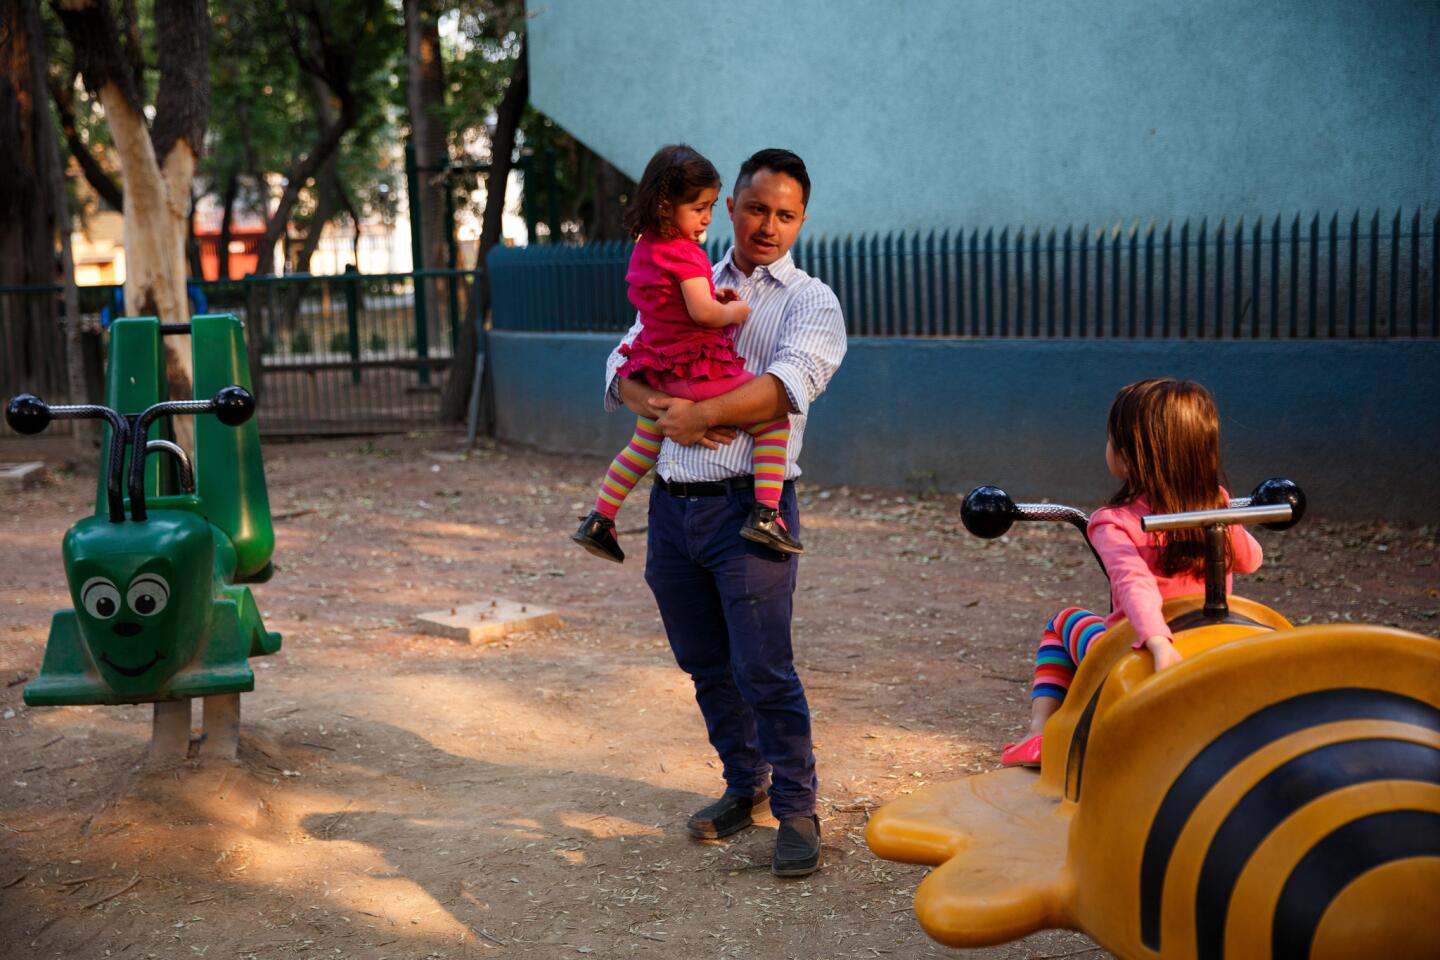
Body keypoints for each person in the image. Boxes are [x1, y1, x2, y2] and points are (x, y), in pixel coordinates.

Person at [601, 148, 846, 876]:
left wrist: (697, 411)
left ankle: (797, 808)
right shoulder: (684, 273)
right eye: (756, 208)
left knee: (763, 666)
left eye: (786, 214)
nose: (769, 225)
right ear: (730, 207)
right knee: (705, 663)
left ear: (801, 220)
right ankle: (746, 785)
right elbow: (621, 362)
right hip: (673, 508)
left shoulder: (811, 302)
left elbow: (783, 388)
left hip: (751, 508)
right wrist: (658, 407)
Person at [1001, 378, 1264, 768]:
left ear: (1129, 454)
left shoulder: (1114, 521)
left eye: (1111, 439)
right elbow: (1249, 561)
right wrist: (1222, 515)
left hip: (1138, 644)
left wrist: (1158, 643)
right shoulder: (1215, 502)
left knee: (1064, 622)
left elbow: (1131, 582)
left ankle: (1039, 732)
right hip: (1211, 635)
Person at [573, 144, 799, 562]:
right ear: (666, 205)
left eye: (710, 207)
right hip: (697, 370)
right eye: (699, 207)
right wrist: (732, 309)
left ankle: (600, 518)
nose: (706, 219)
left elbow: (669, 304)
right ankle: (767, 513)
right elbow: (702, 311)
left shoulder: (646, 248)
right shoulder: (688, 254)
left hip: (658, 368)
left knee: (643, 444)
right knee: (772, 421)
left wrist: (711, 294)